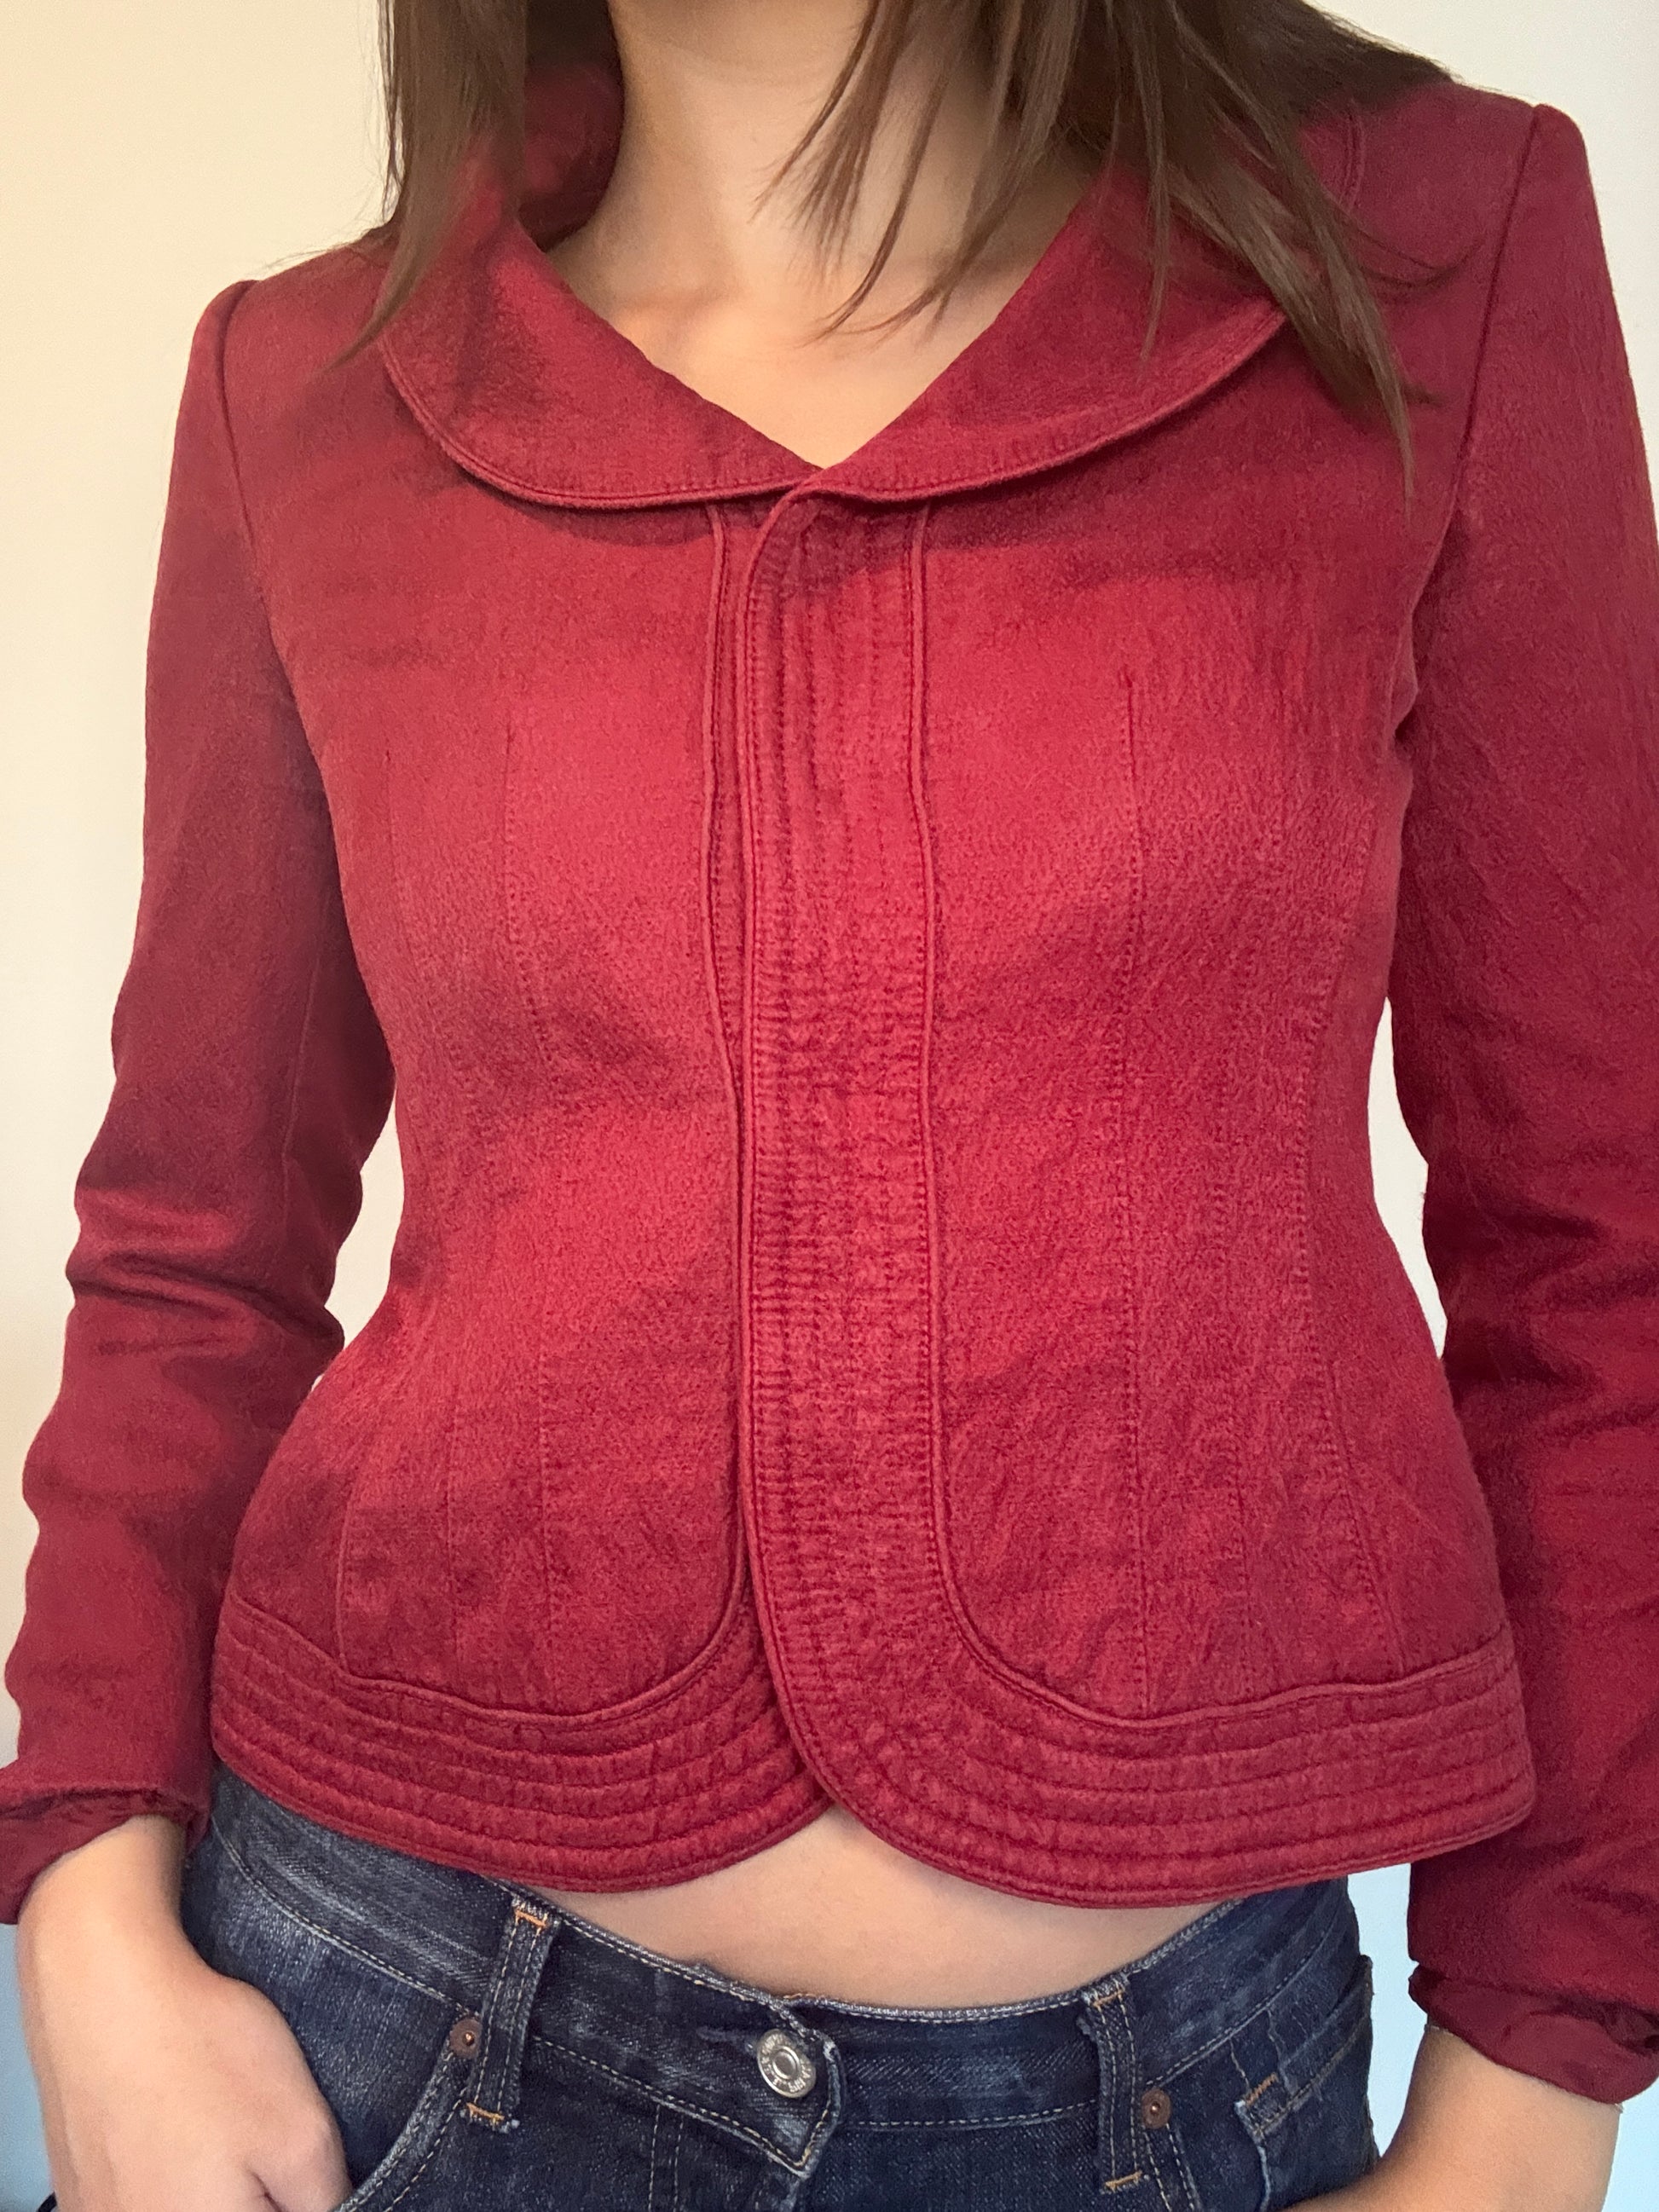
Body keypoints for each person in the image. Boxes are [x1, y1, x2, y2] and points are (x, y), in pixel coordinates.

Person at [3, 0, 1655, 2206]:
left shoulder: (1438, 251)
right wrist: (89, 1910)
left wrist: (1536, 2087)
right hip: (383, 2030)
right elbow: (193, 1246)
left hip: (1170, 2105)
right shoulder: (301, 389)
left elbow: (1598, 1244)